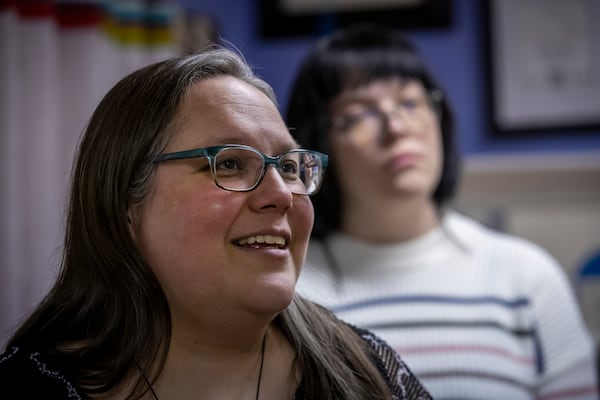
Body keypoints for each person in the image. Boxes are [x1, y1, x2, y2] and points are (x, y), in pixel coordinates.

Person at [0, 47, 433, 400]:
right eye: (229, 164)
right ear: (124, 204)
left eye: (287, 165)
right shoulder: (33, 386)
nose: (281, 194)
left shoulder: (371, 374)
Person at [286, 23, 598, 400]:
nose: (396, 127)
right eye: (359, 114)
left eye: (410, 102)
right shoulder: (292, 292)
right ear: (317, 145)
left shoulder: (525, 276)